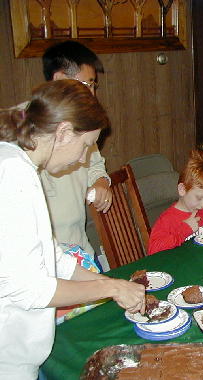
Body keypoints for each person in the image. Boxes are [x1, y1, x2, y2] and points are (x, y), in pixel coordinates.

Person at [0, 80, 145, 379]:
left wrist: (104, 281)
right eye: (84, 146)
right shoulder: (13, 176)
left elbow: (53, 257)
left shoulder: (20, 165)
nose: (83, 159)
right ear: (64, 132)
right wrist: (111, 287)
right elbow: (32, 289)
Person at [40, 40, 112, 257]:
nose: (92, 94)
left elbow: (94, 165)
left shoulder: (83, 123)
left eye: (93, 86)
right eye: (87, 84)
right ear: (61, 79)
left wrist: (100, 181)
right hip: (46, 258)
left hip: (78, 249)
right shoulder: (26, 135)